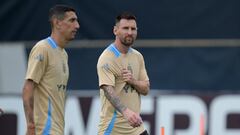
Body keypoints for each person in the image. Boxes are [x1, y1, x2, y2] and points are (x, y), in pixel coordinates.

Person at [22, 5, 79, 135]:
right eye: (72, 20)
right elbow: (27, 88)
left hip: (57, 129)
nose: (77, 26)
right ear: (57, 23)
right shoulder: (43, 48)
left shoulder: (63, 53)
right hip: (44, 130)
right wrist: (31, 126)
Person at [97, 12, 150, 135]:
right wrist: (126, 111)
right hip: (113, 129)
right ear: (115, 30)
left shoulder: (137, 56)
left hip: (136, 129)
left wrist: (133, 81)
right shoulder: (107, 58)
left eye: (133, 29)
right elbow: (108, 91)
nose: (130, 32)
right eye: (125, 28)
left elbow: (146, 89)